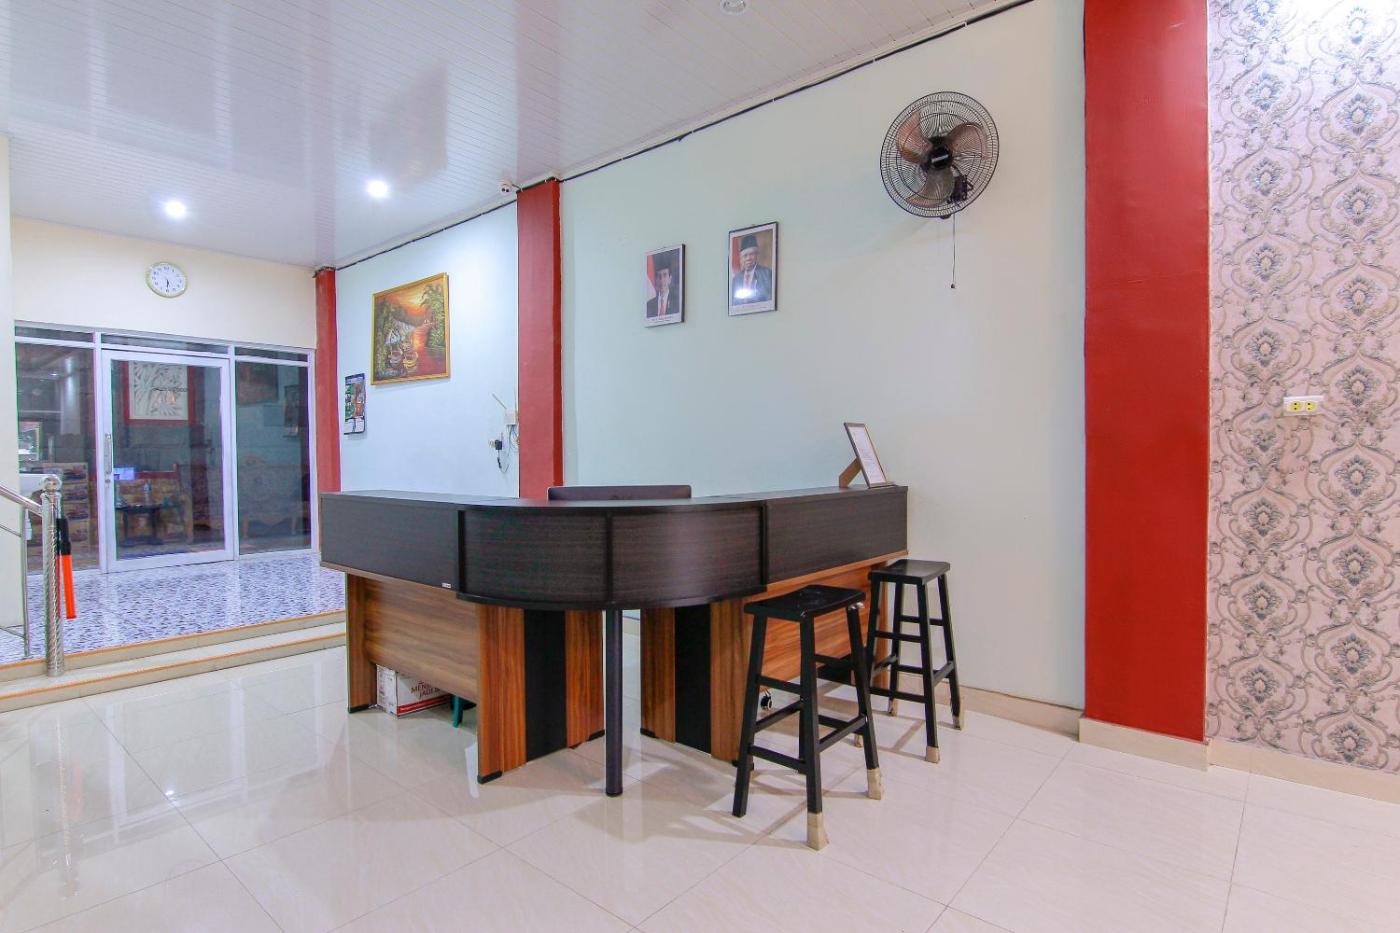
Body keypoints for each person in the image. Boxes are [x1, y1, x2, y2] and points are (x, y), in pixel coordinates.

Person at [730, 233, 773, 305]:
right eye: (745, 255)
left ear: (756, 255)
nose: (748, 258)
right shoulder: (736, 279)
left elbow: (769, 299)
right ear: (741, 258)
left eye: (751, 254)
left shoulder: (767, 273)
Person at [647, 254, 679, 319]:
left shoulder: (677, 302)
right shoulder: (649, 305)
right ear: (656, 280)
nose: (661, 280)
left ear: (670, 279)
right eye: (659, 276)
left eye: (665, 275)